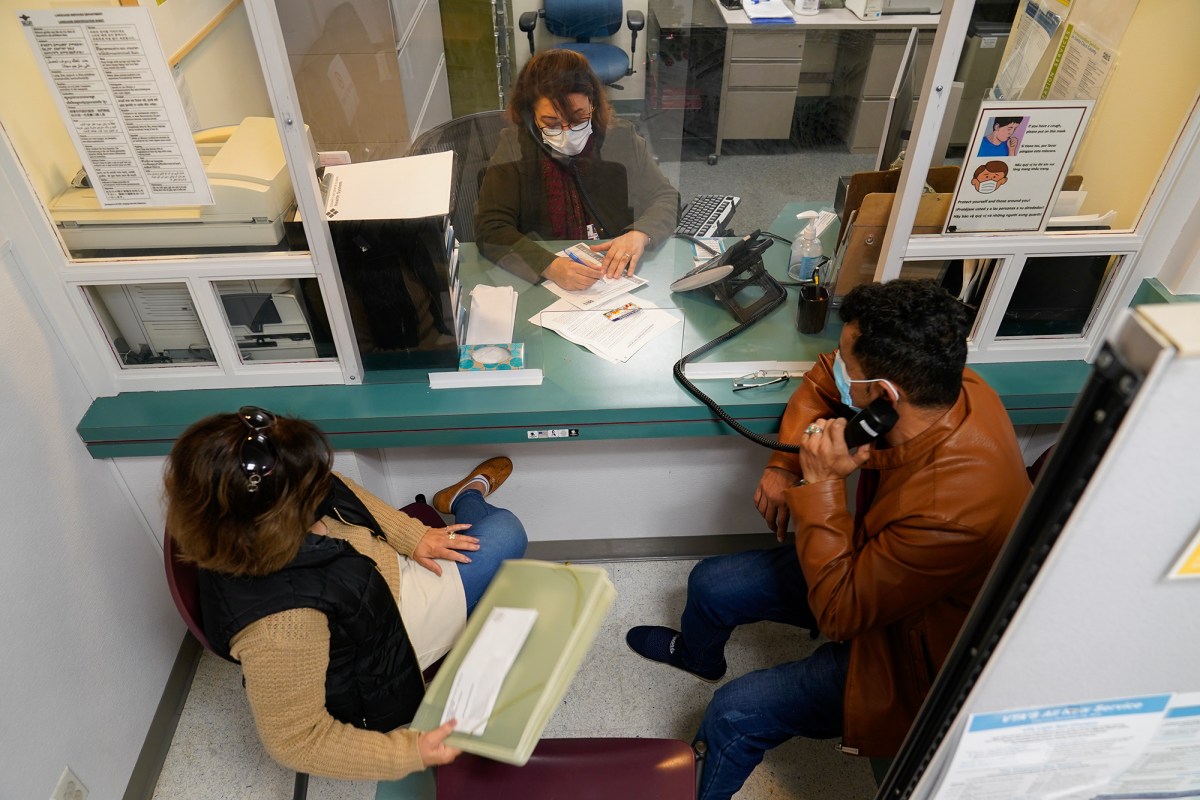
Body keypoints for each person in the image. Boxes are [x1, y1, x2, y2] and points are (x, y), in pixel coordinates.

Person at [626, 280, 1032, 800]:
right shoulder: (948, 388)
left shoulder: (954, 512)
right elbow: (823, 378)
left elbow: (841, 613)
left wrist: (821, 486)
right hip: (872, 557)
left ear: (884, 397)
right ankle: (697, 657)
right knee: (713, 581)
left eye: (848, 361)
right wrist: (783, 461)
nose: (833, 365)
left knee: (735, 711)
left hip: (906, 640)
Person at [165, 407, 528, 781]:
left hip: (364, 581)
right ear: (280, 519)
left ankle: (459, 502)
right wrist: (411, 752)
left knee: (496, 549)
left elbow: (336, 487)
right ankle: (466, 499)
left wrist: (413, 535)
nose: (318, 482)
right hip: (385, 631)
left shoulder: (230, 508)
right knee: (507, 533)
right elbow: (297, 741)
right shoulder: (281, 628)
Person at [474, 49, 679, 290]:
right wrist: (548, 266)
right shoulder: (514, 148)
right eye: (551, 122)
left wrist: (640, 234)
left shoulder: (621, 138)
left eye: (579, 118)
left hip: (617, 277)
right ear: (530, 115)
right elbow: (490, 227)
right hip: (548, 281)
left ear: (592, 105)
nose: (567, 130)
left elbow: (666, 197)